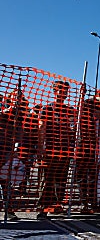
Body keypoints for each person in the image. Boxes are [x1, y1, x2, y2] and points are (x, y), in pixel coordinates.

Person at [37, 81, 76, 219]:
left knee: (61, 179)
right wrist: (41, 147)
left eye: (66, 91)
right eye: (61, 90)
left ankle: (57, 204)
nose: (64, 93)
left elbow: (73, 128)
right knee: (47, 179)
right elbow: (42, 128)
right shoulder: (47, 109)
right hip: (50, 150)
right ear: (55, 91)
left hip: (65, 150)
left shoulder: (70, 110)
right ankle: (43, 208)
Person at [77, 85, 100, 213]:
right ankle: (84, 202)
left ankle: (93, 201)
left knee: (94, 174)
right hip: (84, 143)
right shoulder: (88, 103)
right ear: (99, 94)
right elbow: (83, 115)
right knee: (82, 174)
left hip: (97, 145)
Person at [0, 89, 29, 221]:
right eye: (15, 97)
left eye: (20, 97)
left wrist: (16, 149)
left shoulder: (20, 115)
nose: (17, 99)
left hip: (7, 150)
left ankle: (9, 209)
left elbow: (19, 133)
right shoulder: (3, 109)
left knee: (6, 181)